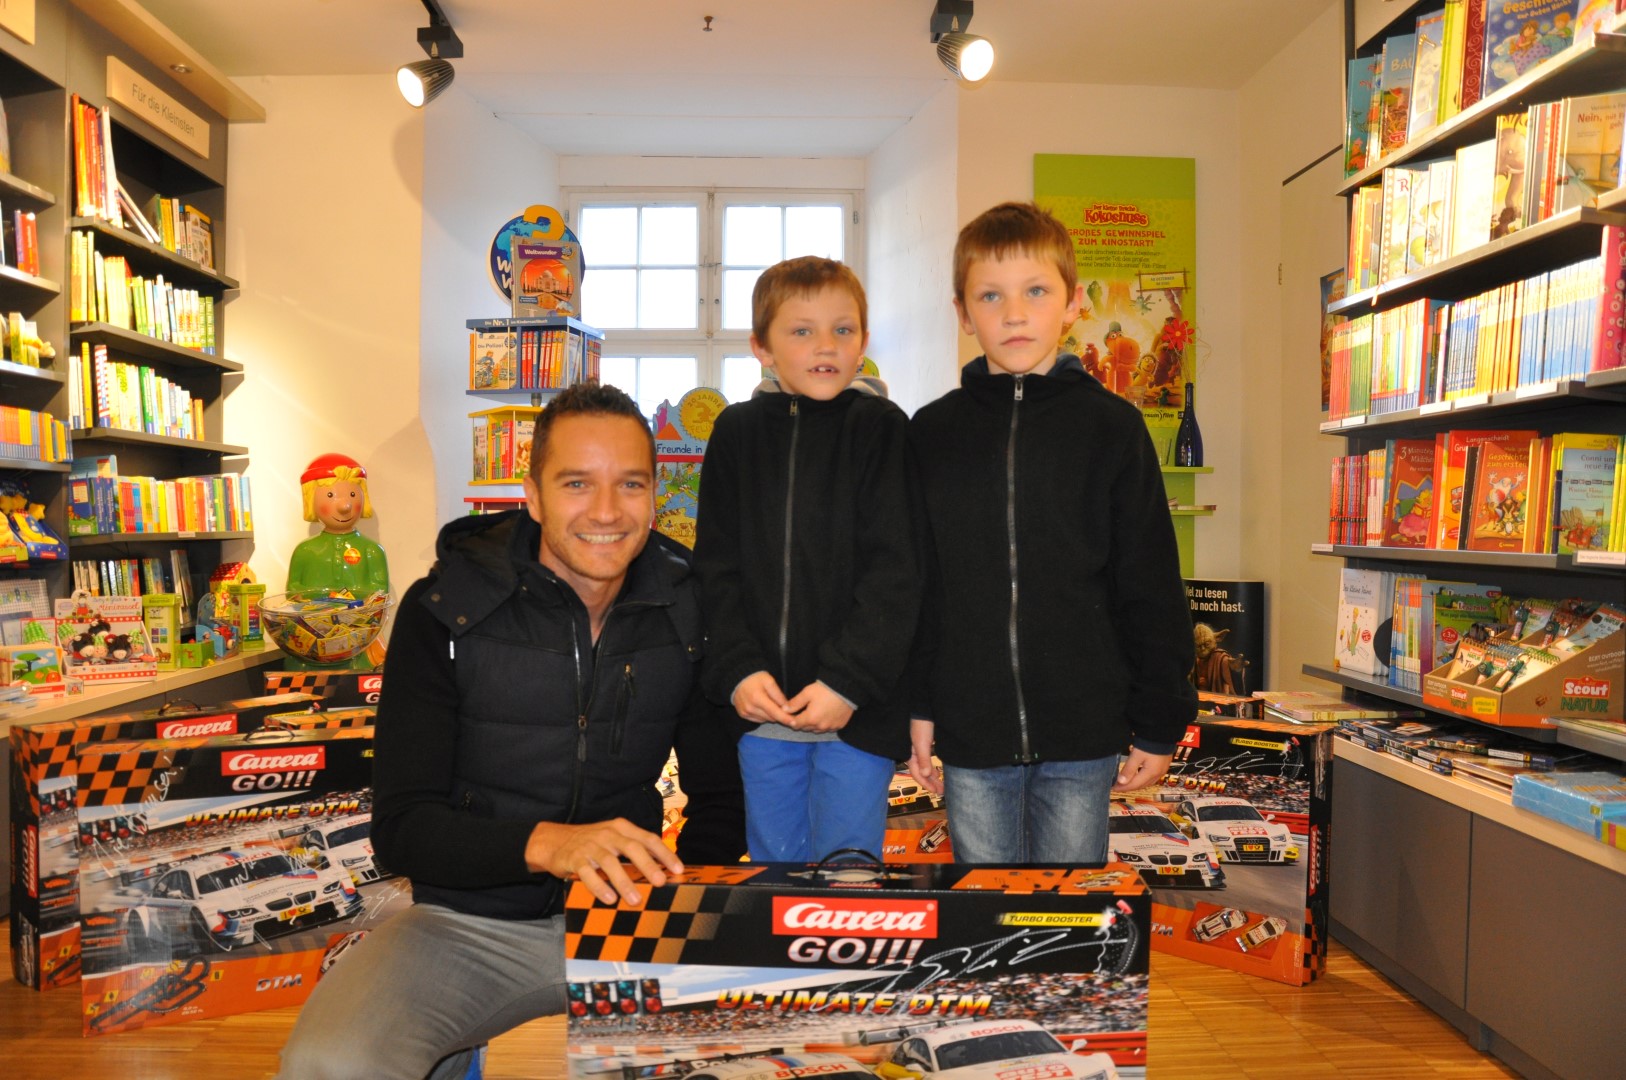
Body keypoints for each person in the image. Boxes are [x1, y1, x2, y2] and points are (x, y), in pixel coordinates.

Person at [276, 382, 742, 1080]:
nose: (607, 511)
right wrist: (550, 845)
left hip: (632, 913)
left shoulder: (687, 605)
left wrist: (682, 898)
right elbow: (402, 827)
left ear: (654, 495)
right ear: (533, 497)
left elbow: (721, 797)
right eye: (577, 483)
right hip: (467, 922)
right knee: (330, 1063)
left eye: (631, 484)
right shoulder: (444, 610)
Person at [906, 202, 1197, 864]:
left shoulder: (1112, 428)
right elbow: (919, 586)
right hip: (971, 731)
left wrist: (1159, 720)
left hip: (1082, 732)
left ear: (1072, 304)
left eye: (1035, 291)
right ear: (963, 312)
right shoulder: (932, 433)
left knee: (1069, 911)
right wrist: (919, 705)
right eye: (991, 295)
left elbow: (1150, 580)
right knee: (986, 908)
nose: (1014, 314)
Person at [693, 255, 923, 863]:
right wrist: (737, 670)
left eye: (842, 330)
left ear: (863, 342)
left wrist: (848, 681)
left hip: (856, 710)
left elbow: (897, 573)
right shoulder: (736, 433)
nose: (826, 345)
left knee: (849, 875)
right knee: (776, 873)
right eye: (802, 331)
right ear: (761, 347)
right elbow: (715, 569)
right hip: (762, 709)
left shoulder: (882, 428)